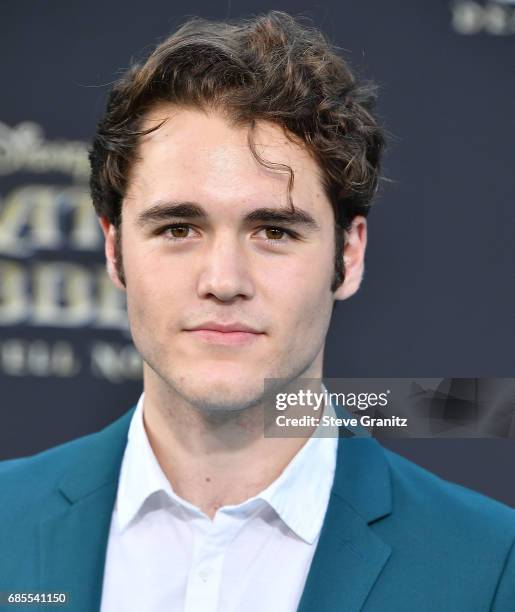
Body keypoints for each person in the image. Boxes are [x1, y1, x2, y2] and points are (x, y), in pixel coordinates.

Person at [1, 11, 514, 612]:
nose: (224, 281)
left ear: (348, 254)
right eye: (177, 228)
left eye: (273, 230)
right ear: (114, 250)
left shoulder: (490, 566)